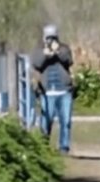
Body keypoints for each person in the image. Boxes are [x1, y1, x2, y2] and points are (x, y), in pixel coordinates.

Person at [30, 24, 74, 155]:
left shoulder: (64, 48)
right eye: (48, 38)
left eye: (53, 38)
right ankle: (44, 146)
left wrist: (58, 51)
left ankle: (64, 148)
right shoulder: (39, 50)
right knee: (46, 121)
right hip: (47, 91)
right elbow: (36, 64)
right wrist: (46, 55)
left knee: (65, 121)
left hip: (64, 90)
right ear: (44, 38)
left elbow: (69, 60)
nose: (51, 41)